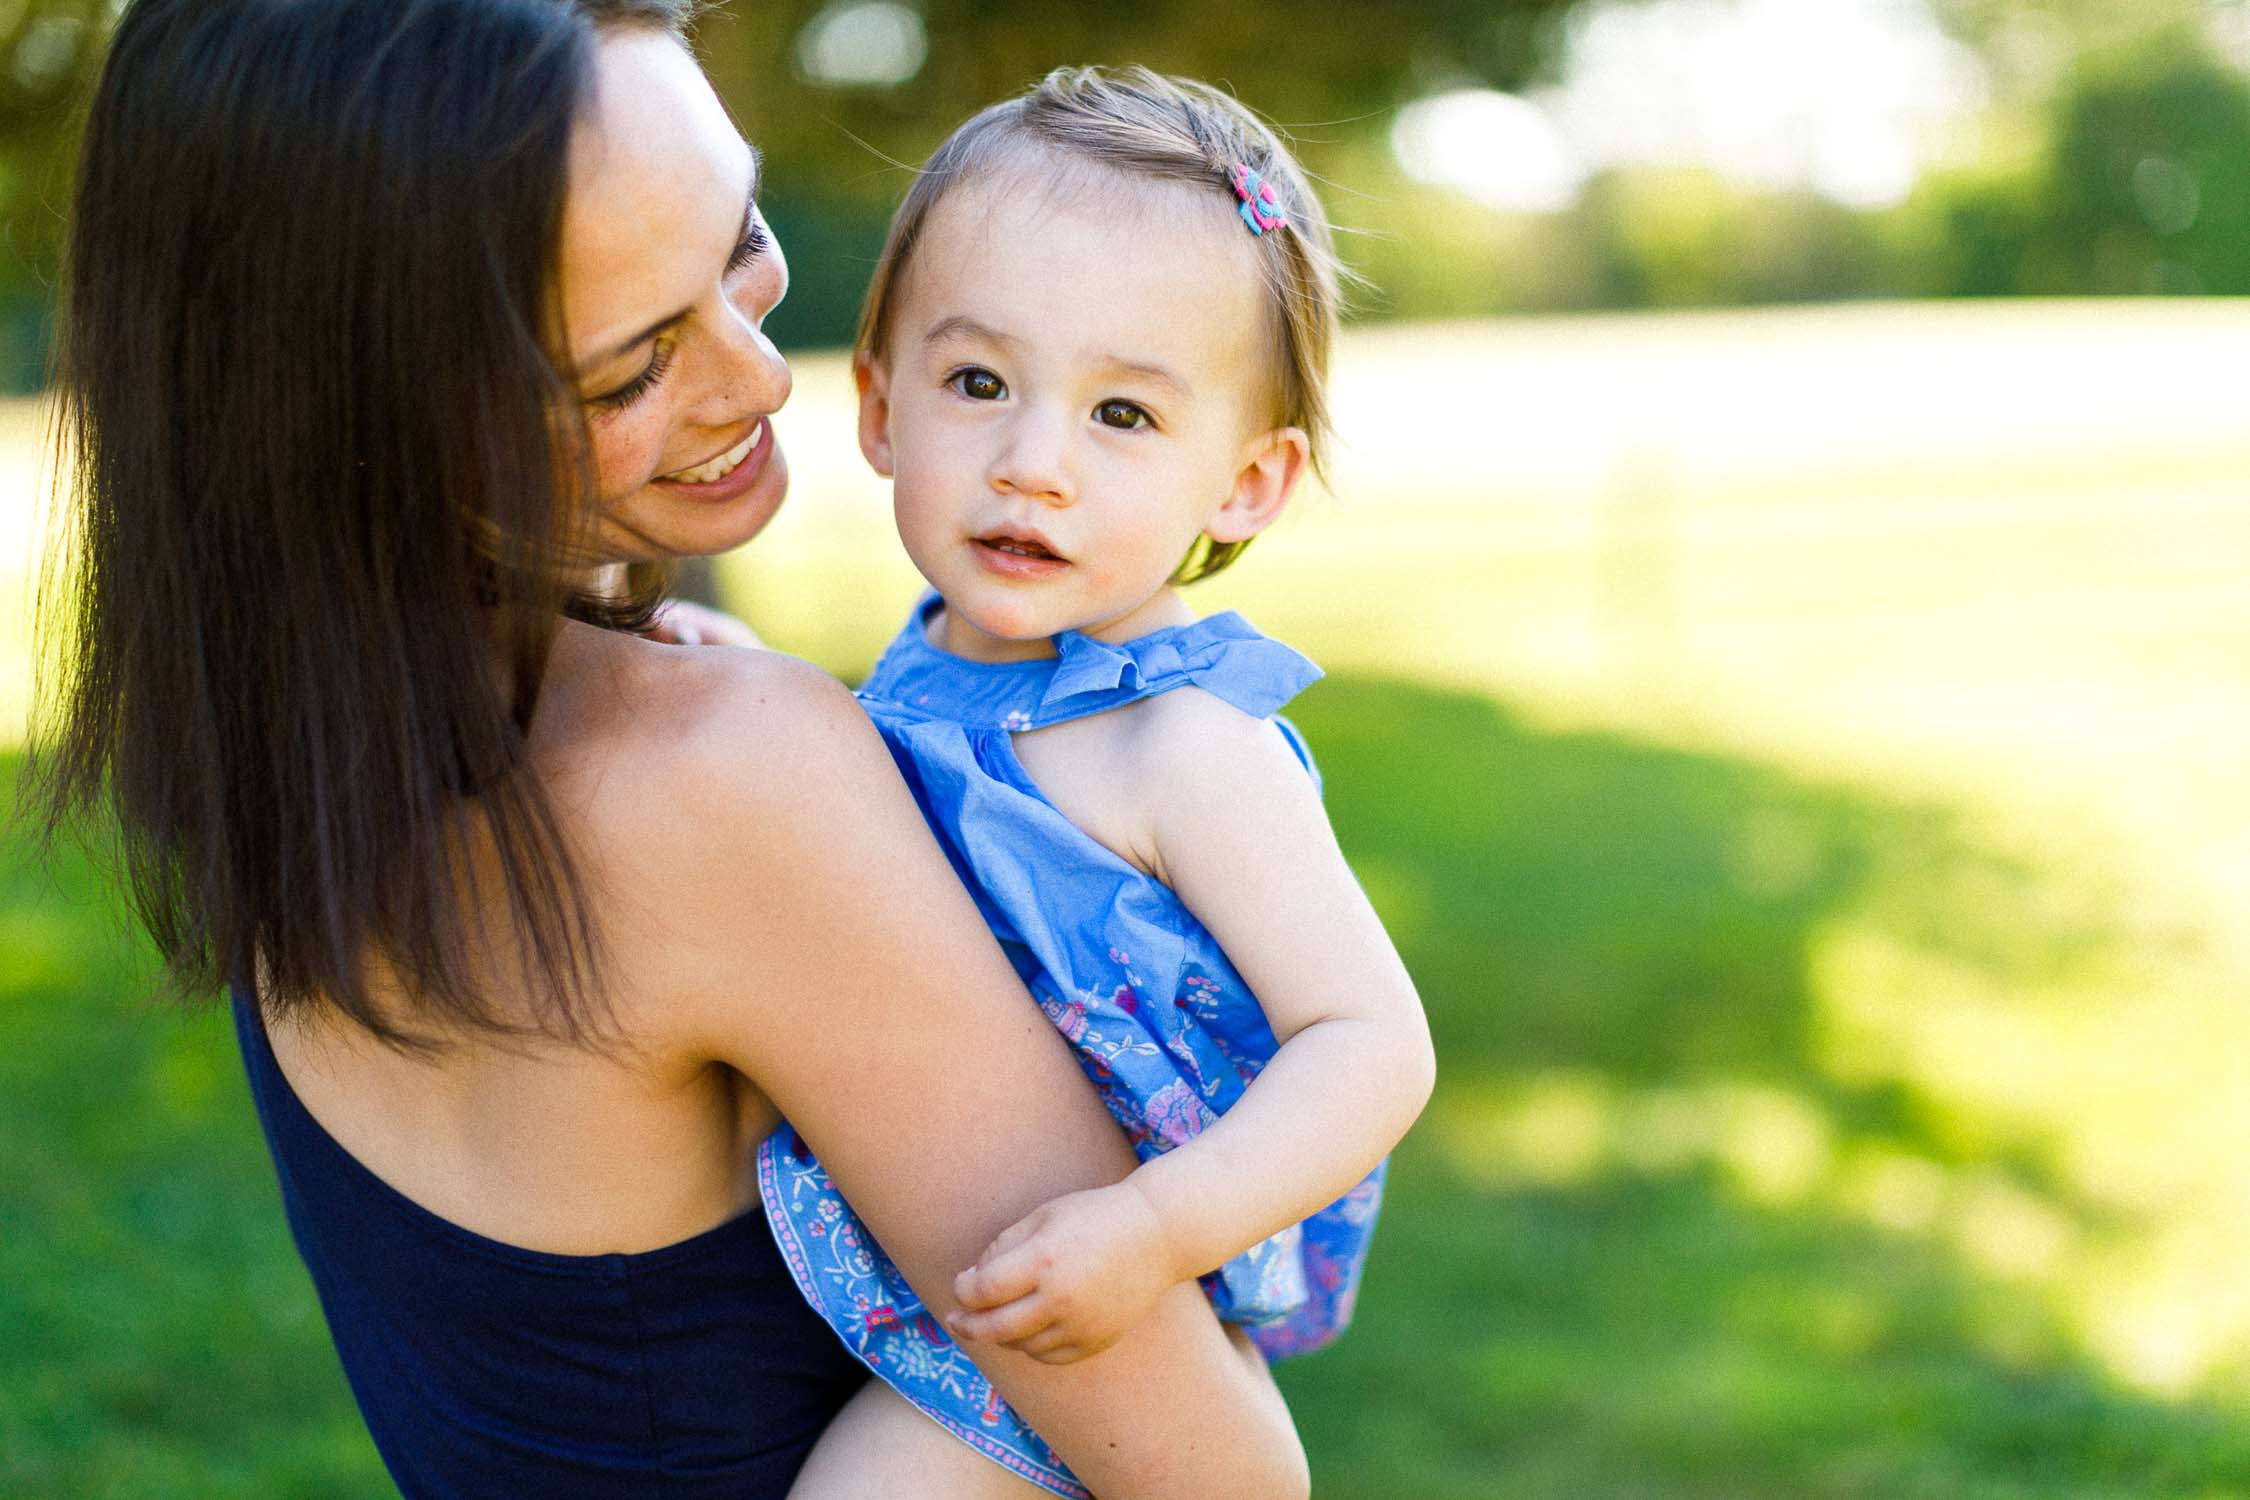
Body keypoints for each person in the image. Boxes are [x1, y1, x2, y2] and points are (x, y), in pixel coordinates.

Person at [24, 4, 1309, 1497]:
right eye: (630, 369)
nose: (760, 378)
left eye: (738, 239)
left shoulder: (295, 767)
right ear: (369, 422)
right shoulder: (717, 779)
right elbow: (1220, 1475)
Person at [762, 68, 1436, 1500]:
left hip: (1086, 1302)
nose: (1031, 465)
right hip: (901, 1245)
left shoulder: (1186, 745)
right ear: (879, 406)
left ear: (1246, 485)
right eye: (978, 384)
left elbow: (1371, 1043)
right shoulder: (923, 673)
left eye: (1122, 416)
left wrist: (1153, 1233)